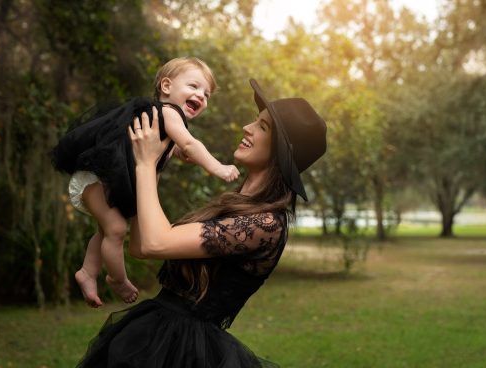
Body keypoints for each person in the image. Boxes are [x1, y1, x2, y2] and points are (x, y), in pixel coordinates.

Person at [77, 79, 327, 367]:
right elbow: (140, 245)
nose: (247, 127)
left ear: (281, 152)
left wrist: (145, 164)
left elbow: (155, 242)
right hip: (157, 328)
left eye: (262, 126)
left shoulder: (265, 224)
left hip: (184, 351)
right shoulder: (236, 204)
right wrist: (153, 166)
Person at [51, 57, 240, 307]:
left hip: (107, 183)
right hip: (95, 178)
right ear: (166, 87)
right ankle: (116, 279)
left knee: (108, 229)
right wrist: (218, 167)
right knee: (116, 229)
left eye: (206, 94)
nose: (201, 96)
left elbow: (180, 150)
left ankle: (87, 271)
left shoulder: (158, 120)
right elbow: (191, 144)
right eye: (194, 87)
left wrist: (183, 155)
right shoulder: (168, 113)